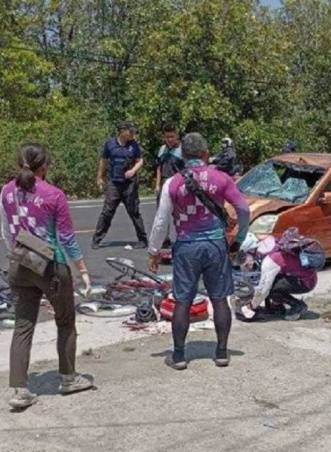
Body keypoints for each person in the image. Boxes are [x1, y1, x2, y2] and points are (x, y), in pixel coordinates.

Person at [0, 143, 94, 409]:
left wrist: (18, 254)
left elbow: (6, 230)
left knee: (23, 325)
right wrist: (82, 270)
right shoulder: (54, 195)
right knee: (65, 321)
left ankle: (20, 390)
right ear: (44, 167)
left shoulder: (6, 192)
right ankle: (68, 378)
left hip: (20, 262)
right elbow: (66, 238)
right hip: (51, 265)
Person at [147, 132, 250, 370]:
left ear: (182, 155)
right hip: (215, 246)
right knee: (220, 299)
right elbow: (243, 209)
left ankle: (179, 356)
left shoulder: (172, 183)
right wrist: (238, 239)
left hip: (186, 246)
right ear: (205, 154)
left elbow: (161, 221)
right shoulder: (222, 178)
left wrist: (154, 251)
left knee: (182, 301)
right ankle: (221, 352)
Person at [237, 230, 317, 322]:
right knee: (268, 280)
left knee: (268, 287)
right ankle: (277, 306)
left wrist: (251, 306)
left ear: (251, 250)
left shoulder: (270, 261)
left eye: (243, 257)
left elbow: (263, 290)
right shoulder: (270, 245)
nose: (244, 263)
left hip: (305, 282)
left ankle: (298, 305)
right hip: (305, 276)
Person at [92, 121, 148, 249]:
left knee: (134, 211)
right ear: (122, 132)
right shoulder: (110, 144)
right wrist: (99, 177)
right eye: (130, 131)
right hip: (114, 183)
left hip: (129, 184)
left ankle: (143, 240)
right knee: (107, 211)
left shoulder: (133, 145)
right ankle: (97, 239)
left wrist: (133, 170)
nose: (132, 134)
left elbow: (140, 161)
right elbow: (103, 161)